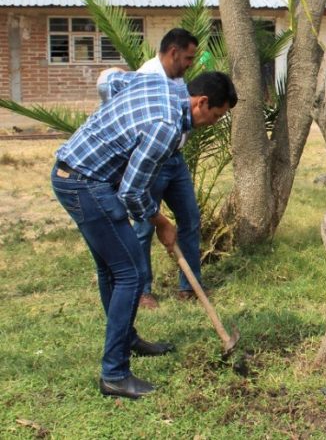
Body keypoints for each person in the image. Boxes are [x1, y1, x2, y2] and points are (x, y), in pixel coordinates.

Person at [52, 71, 237, 398]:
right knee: (131, 274)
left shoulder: (158, 83)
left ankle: (126, 338)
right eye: (217, 115)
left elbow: (109, 82)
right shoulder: (165, 127)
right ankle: (114, 374)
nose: (214, 122)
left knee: (113, 269)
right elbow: (132, 192)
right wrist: (162, 222)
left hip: (71, 172)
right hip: (86, 184)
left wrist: (113, 128)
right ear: (201, 102)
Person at [101, 28, 201, 309]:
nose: (191, 63)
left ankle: (190, 286)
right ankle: (143, 290)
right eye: (189, 58)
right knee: (144, 226)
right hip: (150, 162)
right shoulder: (147, 78)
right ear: (173, 53)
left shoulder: (177, 79)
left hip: (176, 161)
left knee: (190, 220)